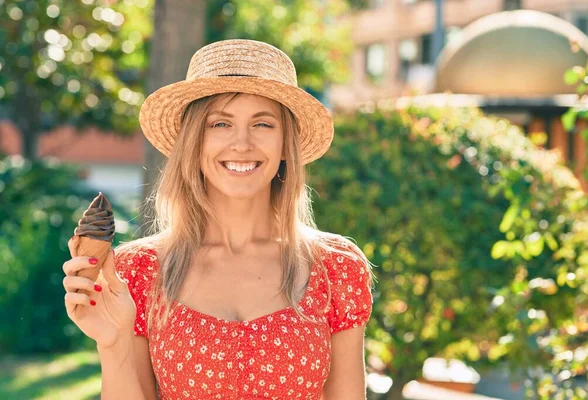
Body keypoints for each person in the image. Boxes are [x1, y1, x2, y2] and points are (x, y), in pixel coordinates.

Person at [62, 39, 373, 400]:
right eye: (221, 123)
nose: (241, 143)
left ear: (286, 144)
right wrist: (112, 343)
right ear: (194, 142)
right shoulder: (138, 272)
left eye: (263, 124)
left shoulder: (336, 267)